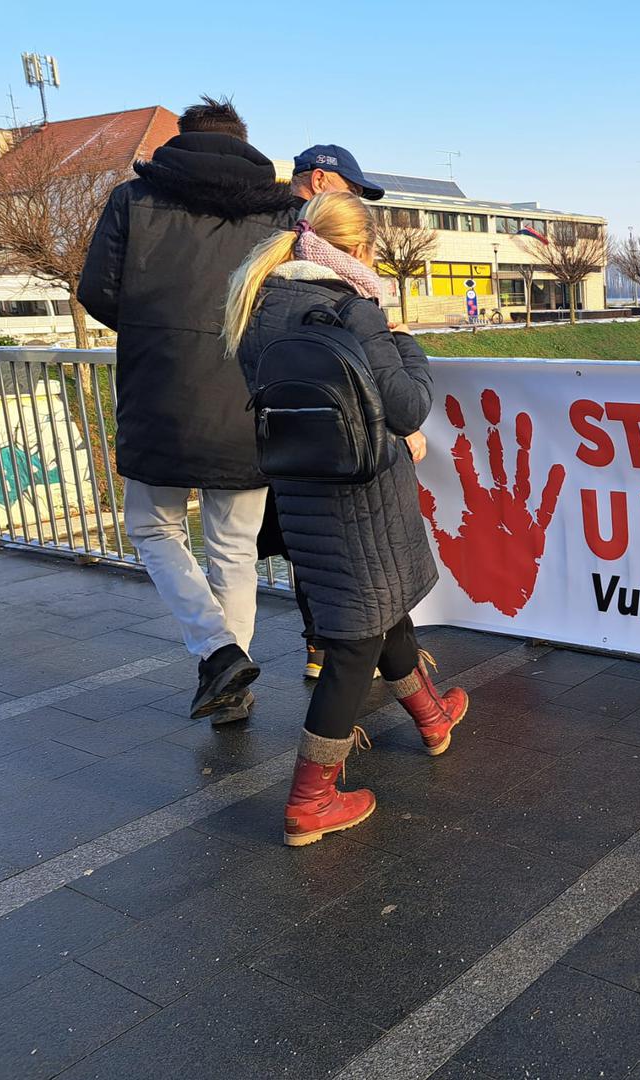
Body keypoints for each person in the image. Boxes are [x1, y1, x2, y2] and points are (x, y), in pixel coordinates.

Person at [223, 192, 469, 846]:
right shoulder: (354, 311)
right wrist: (404, 345)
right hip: (363, 492)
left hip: (301, 490)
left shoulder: (258, 306)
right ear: (358, 250)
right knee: (356, 641)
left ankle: (433, 716)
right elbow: (408, 404)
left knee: (376, 609)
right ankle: (311, 799)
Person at [78, 97, 297, 724]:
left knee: (152, 527)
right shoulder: (280, 210)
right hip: (250, 397)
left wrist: (156, 331)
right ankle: (232, 682)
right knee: (232, 545)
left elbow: (97, 290)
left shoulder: (133, 200)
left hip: (160, 393)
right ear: (243, 141)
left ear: (181, 140)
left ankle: (216, 651)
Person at [286, 144, 383, 680]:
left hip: (287, 441)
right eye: (353, 193)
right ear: (322, 183)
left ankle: (323, 650)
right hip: (343, 447)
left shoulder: (264, 282)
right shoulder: (351, 300)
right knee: (365, 562)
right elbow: (400, 396)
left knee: (314, 549)